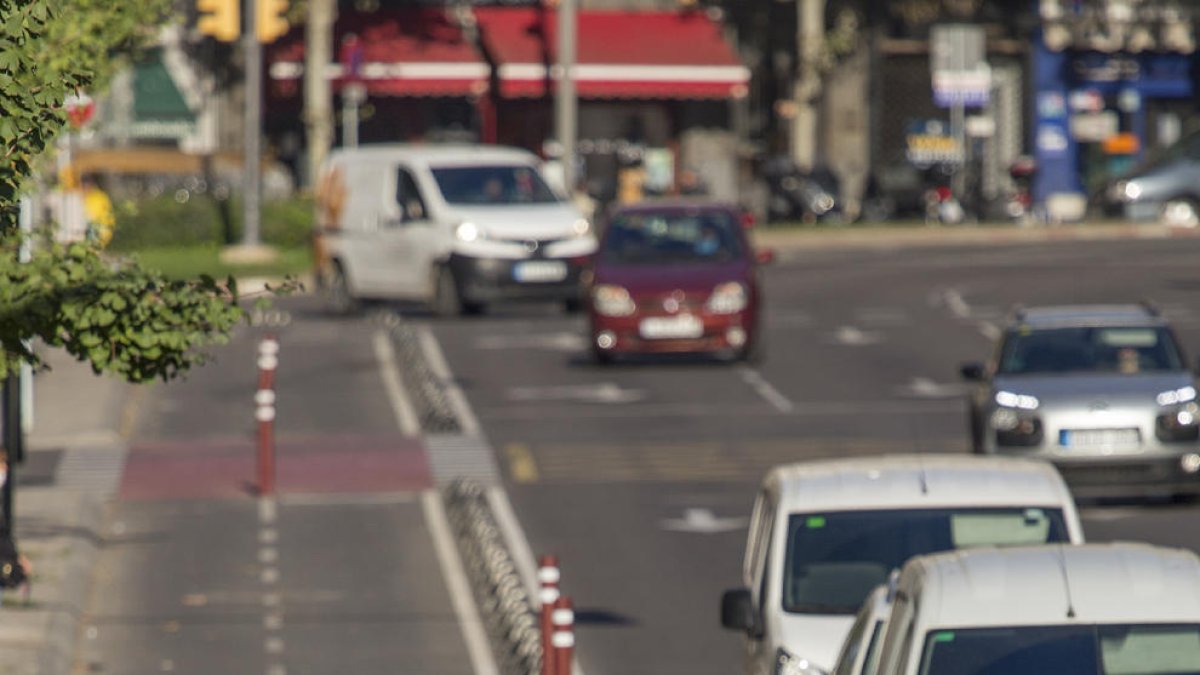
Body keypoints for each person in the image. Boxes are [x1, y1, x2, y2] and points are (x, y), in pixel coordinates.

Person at [81, 175, 115, 248]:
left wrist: (102, 238)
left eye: (87, 185)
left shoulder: (100, 198)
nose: (85, 189)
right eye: (83, 186)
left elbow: (107, 220)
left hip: (96, 234)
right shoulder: (76, 197)